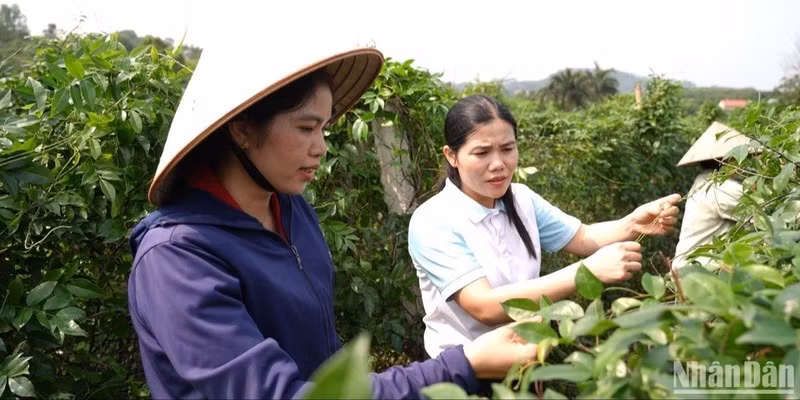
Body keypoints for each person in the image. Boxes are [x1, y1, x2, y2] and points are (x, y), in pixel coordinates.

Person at [126, 33, 537, 398]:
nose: (321, 146)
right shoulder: (177, 258)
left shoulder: (290, 210)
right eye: (306, 128)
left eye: (324, 128)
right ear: (242, 130)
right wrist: (464, 366)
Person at [408, 94, 681, 357]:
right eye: (482, 152)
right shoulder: (433, 221)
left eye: (507, 149)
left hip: (527, 360)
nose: (498, 164)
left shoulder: (521, 199)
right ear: (451, 156)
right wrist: (587, 271)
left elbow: (583, 237)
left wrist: (633, 223)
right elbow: (485, 306)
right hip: (464, 373)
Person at [671, 121, 748, 269]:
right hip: (698, 273)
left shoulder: (703, 180)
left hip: (686, 269)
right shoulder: (722, 187)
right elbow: (764, 217)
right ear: (728, 159)